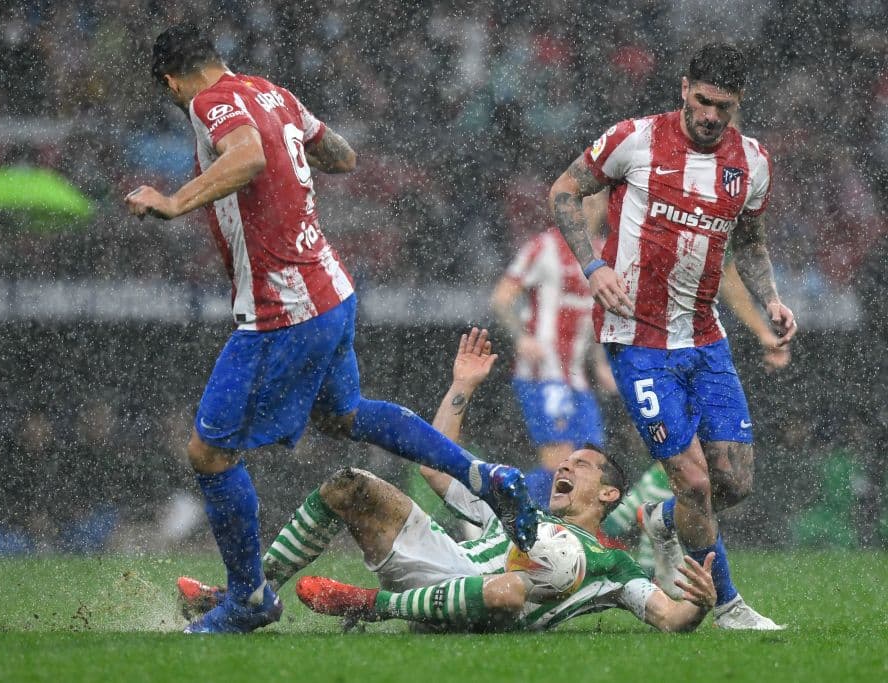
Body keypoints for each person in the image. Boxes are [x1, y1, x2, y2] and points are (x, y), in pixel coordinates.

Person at [123, 24, 538, 634]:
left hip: (282, 308)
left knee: (209, 454)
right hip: (331, 289)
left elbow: (247, 155)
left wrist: (175, 201)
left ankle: (247, 599)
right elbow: (341, 156)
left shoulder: (209, 102)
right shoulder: (272, 93)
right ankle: (485, 476)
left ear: (170, 80)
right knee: (344, 415)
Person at [179, 329, 716, 633]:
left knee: (510, 589)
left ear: (608, 493)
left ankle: (366, 604)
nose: (567, 466)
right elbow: (437, 466)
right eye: (567, 460)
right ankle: (248, 590)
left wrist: (701, 603)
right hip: (443, 568)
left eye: (583, 464)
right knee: (348, 485)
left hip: (488, 607)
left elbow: (670, 617)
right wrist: (461, 387)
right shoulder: (518, 508)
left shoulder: (612, 567)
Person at [547, 42, 796, 629]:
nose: (711, 116)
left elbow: (751, 242)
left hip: (705, 339)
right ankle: (728, 605)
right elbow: (563, 191)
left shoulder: (752, 163)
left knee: (731, 482)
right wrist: (593, 266)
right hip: (636, 339)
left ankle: (661, 520)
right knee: (693, 477)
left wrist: (772, 301)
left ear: (739, 104)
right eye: (703, 101)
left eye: (724, 107)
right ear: (685, 88)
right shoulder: (635, 139)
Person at [490, 191, 613, 508]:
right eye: (585, 202)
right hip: (542, 373)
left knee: (591, 456)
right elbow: (502, 298)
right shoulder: (544, 246)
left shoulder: (602, 255)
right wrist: (520, 337)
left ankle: (519, 517)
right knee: (559, 461)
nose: (591, 209)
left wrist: (600, 362)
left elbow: (595, 316)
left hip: (575, 377)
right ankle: (496, 510)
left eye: (598, 203)